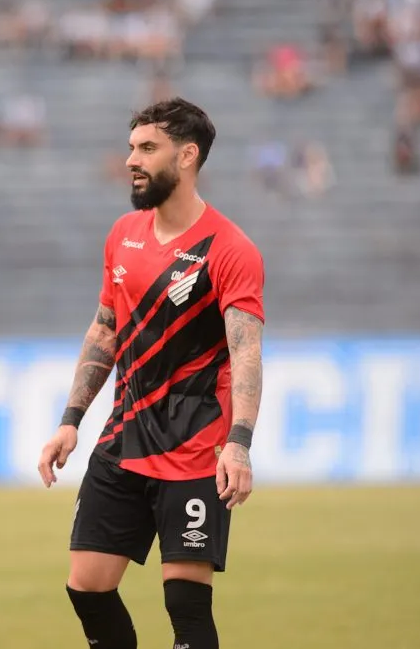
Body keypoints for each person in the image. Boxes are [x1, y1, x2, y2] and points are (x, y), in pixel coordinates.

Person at [38, 98, 265, 649]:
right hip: (123, 439)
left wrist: (238, 444)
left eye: (147, 148)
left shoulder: (230, 249)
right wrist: (71, 420)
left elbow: (247, 354)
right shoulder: (123, 234)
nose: (131, 160)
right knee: (86, 588)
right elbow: (104, 330)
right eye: (131, 148)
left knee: (185, 608)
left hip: (192, 448)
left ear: (187, 156)